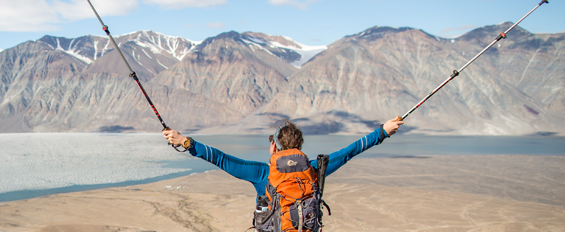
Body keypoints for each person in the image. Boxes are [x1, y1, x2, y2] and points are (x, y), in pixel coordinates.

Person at [162, 117, 404, 204]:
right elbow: (351, 150)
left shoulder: (261, 174)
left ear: (275, 146)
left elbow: (221, 159)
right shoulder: (314, 169)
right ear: (300, 146)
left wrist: (185, 142)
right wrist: (383, 130)